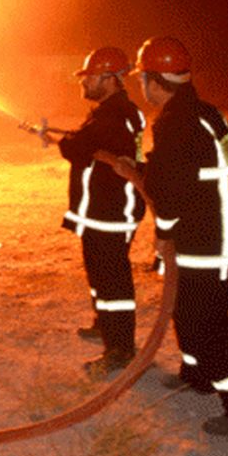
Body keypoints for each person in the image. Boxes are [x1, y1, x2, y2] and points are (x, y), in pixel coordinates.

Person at [133, 35, 228, 436]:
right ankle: (197, 376)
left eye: (143, 78)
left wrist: (163, 233)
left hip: (204, 239)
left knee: (207, 324)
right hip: (220, 230)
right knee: (187, 310)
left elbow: (171, 191)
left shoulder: (174, 121)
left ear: (155, 80)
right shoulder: (206, 114)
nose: (141, 87)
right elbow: (188, 172)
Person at [47, 47, 147, 378]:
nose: (83, 83)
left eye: (89, 77)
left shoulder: (111, 116)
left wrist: (69, 142)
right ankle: (104, 325)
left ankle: (119, 349)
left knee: (112, 282)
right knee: (102, 275)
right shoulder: (118, 112)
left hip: (111, 212)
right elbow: (87, 141)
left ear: (108, 79)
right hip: (107, 210)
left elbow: (77, 148)